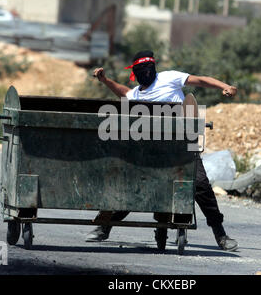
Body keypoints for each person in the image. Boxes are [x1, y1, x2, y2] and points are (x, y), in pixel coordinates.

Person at [86, 50, 239, 251]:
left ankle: (221, 235)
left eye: (148, 69)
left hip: (183, 146)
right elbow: (124, 93)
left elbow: (200, 80)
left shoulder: (170, 78)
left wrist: (225, 86)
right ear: (135, 72)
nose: (145, 73)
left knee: (200, 185)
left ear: (153, 68)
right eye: (141, 70)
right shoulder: (137, 94)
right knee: (134, 186)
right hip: (151, 150)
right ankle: (104, 227)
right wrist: (105, 80)